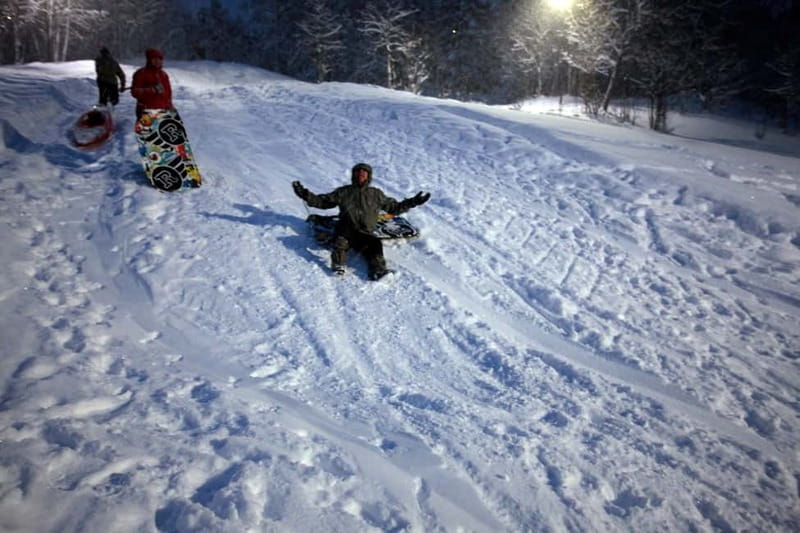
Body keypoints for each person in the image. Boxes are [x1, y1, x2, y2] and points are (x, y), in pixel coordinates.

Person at [292, 163, 430, 280]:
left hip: (365, 232)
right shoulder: (344, 192)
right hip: (346, 229)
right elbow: (323, 202)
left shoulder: (376, 194)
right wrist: (305, 194)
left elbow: (393, 208)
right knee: (341, 241)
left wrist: (413, 202)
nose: (361, 175)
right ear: (353, 175)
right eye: (358, 173)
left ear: (368, 176)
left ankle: (378, 270)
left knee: (375, 244)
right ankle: (339, 265)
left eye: (364, 173)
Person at [131, 48, 173, 120]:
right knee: (148, 131)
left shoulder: (164, 75)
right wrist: (152, 90)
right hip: (146, 112)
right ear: (149, 60)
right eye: (154, 59)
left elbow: (168, 95)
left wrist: (171, 109)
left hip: (162, 113)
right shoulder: (141, 73)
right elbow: (135, 92)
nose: (157, 61)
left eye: (160, 59)